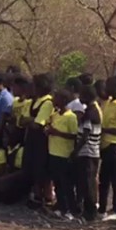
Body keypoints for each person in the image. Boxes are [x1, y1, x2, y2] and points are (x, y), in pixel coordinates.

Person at [46, 90, 79, 221]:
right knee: (58, 183)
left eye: (57, 98)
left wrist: (58, 133)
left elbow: (74, 135)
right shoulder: (54, 115)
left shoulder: (71, 117)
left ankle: (71, 210)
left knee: (67, 184)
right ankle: (61, 208)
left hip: (64, 154)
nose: (54, 100)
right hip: (53, 152)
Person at [73, 85, 103, 222]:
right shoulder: (92, 110)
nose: (79, 98)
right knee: (86, 181)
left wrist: (75, 151)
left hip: (88, 152)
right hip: (89, 151)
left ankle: (91, 212)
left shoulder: (91, 113)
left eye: (81, 95)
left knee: (89, 182)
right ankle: (88, 210)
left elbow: (85, 135)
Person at [25, 73, 55, 207]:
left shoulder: (47, 102)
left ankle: (47, 197)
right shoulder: (36, 101)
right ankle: (36, 195)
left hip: (41, 141)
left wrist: (29, 121)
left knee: (42, 168)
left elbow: (38, 123)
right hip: (32, 139)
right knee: (33, 167)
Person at [99, 76, 116, 221]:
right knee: (104, 180)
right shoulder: (108, 102)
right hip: (105, 146)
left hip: (115, 146)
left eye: (108, 86)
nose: (105, 89)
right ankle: (102, 209)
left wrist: (106, 130)